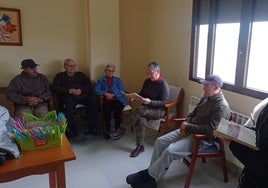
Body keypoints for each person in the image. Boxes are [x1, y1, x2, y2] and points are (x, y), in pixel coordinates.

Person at [126, 74, 231, 188]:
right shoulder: (206, 97)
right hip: (188, 129)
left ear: (216, 87)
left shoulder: (221, 107)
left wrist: (187, 127)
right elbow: (193, 113)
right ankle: (153, 175)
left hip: (201, 138)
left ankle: (149, 175)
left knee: (170, 151)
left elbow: (210, 130)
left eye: (206, 85)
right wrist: (186, 123)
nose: (203, 88)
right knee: (160, 141)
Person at [110, 62, 170, 158]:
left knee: (140, 110)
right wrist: (135, 97)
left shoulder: (163, 84)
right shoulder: (147, 81)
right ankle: (140, 146)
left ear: (157, 71)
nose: (149, 75)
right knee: (140, 120)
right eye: (147, 73)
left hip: (159, 111)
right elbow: (142, 93)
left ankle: (122, 129)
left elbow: (163, 102)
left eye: (151, 73)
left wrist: (149, 102)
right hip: (146, 108)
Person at [51, 58, 99, 140]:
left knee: (93, 101)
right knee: (68, 105)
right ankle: (72, 129)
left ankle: (92, 127)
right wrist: (68, 90)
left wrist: (81, 90)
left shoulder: (80, 75)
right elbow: (55, 87)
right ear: (64, 66)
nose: (72, 68)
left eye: (74, 66)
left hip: (82, 95)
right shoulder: (59, 76)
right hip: (68, 97)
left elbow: (89, 85)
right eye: (70, 66)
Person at [228, 97, 268, 188]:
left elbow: (264, 165)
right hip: (250, 176)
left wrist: (232, 144)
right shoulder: (265, 102)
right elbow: (257, 129)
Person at [94, 64, 128, 140]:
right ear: (105, 71)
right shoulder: (100, 80)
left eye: (112, 71)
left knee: (117, 111)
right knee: (106, 112)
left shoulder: (118, 80)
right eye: (109, 71)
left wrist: (113, 94)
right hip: (106, 100)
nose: (110, 72)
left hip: (118, 99)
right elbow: (96, 90)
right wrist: (105, 93)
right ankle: (107, 131)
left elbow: (122, 90)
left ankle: (117, 130)